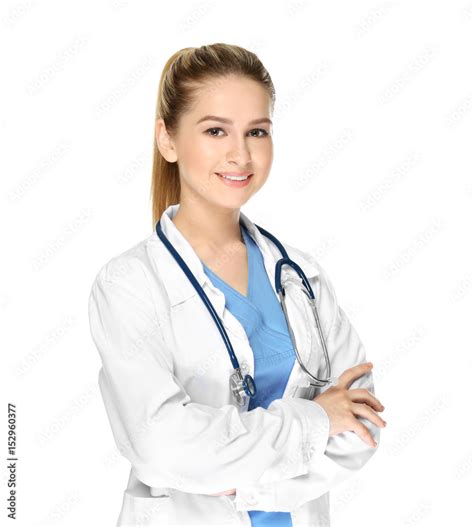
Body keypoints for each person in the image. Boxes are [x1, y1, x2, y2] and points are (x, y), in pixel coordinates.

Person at [88, 43, 386, 527]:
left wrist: (236, 477)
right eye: (215, 131)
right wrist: (314, 422)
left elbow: (361, 425)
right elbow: (163, 447)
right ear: (166, 139)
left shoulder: (301, 277)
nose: (240, 154)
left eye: (257, 131)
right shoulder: (128, 285)